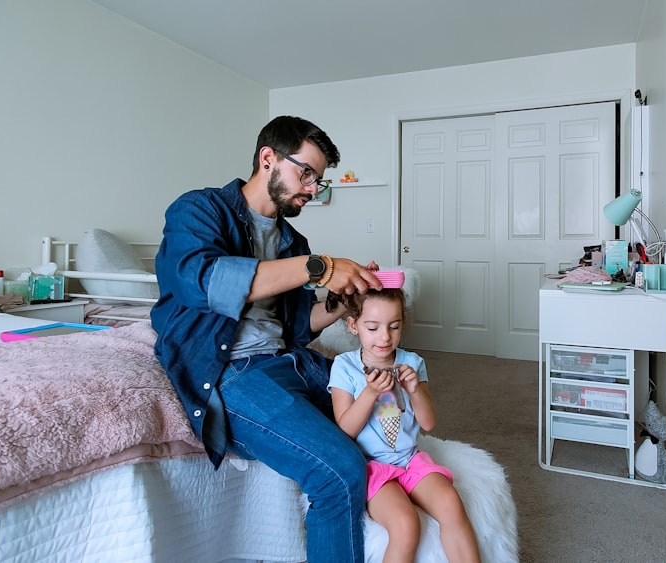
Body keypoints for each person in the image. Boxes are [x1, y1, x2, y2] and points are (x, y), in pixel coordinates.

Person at [151, 115, 383, 563]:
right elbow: (203, 281)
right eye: (307, 172)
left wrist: (341, 303)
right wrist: (320, 267)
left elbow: (296, 326)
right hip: (233, 373)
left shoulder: (292, 241)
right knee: (339, 472)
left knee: (385, 423)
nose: (314, 189)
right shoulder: (199, 209)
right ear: (268, 159)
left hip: (292, 361)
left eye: (320, 179)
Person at [328, 288, 481, 563]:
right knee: (405, 525)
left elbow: (428, 423)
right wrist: (370, 393)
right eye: (373, 328)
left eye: (394, 326)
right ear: (354, 325)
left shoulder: (412, 362)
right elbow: (345, 430)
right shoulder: (344, 366)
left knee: (451, 505)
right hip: (371, 467)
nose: (384, 337)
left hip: (410, 460)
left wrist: (414, 390)